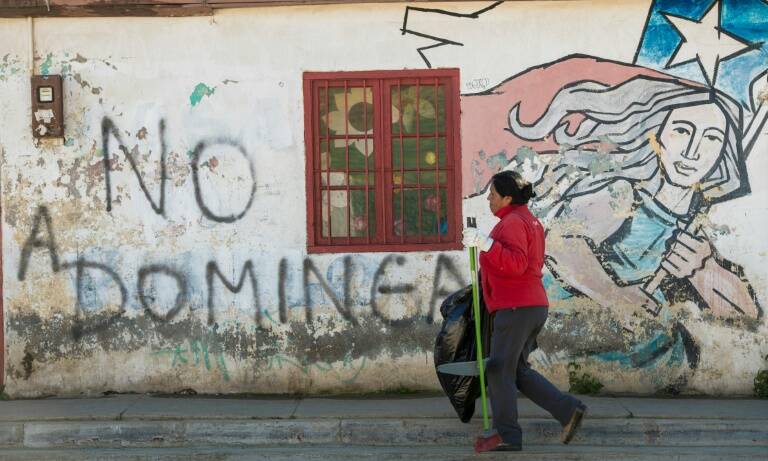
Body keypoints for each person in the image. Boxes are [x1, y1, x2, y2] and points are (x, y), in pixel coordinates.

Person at [462, 170, 586, 453]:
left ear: (507, 197)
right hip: (529, 305)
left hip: (516, 306)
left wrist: (485, 244)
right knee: (515, 370)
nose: (489, 200)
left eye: (492, 195)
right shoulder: (528, 220)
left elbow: (516, 264)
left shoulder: (513, 222)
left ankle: (507, 435)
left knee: (498, 370)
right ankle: (568, 411)